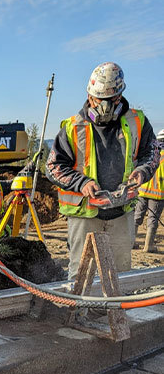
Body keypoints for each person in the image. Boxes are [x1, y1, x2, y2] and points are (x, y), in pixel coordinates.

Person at [46, 62, 159, 280]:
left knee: (121, 272)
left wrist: (143, 171)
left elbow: (152, 153)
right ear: (89, 96)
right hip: (85, 213)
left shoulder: (137, 121)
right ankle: (81, 313)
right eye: (98, 100)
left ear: (119, 96)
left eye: (110, 101)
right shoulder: (73, 127)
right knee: (82, 272)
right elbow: (52, 166)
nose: (104, 107)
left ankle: (113, 313)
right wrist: (82, 183)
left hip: (121, 211)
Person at [134, 128, 164, 252]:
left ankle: (131, 242)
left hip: (142, 189)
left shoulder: (151, 152)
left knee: (137, 216)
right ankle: (148, 246)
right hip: (157, 193)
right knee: (152, 219)